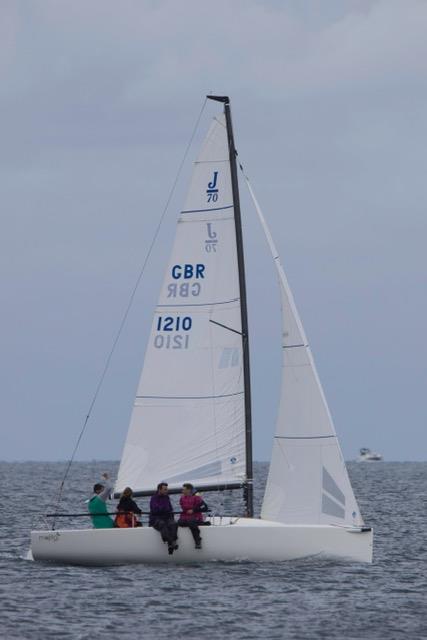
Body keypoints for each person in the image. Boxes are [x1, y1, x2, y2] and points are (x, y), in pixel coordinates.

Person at [149, 482, 178, 555]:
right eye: (165, 489)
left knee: (173, 524)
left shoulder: (166, 497)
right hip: (156, 519)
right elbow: (155, 510)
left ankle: (171, 544)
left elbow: (170, 509)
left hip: (166, 517)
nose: (166, 491)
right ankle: (172, 542)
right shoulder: (154, 498)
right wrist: (164, 509)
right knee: (162, 524)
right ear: (159, 490)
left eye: (166, 489)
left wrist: (171, 516)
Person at [178, 483, 208, 549]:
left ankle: (198, 541)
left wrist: (193, 510)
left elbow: (205, 507)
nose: (182, 491)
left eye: (184, 489)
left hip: (195, 516)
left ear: (189, 490)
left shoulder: (197, 498)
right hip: (185, 517)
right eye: (182, 489)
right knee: (179, 523)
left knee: (191, 522)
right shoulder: (182, 498)